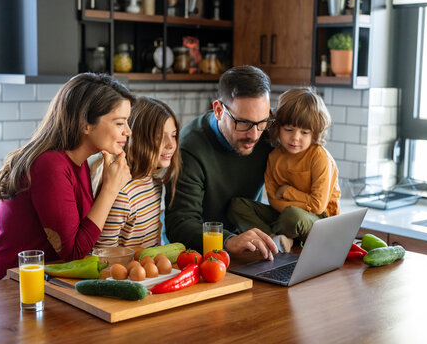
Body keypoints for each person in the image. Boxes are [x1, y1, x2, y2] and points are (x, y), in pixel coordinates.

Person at [0, 73, 135, 285]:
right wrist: (110, 189)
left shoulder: (78, 162)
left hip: (33, 286)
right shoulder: (51, 166)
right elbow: (73, 253)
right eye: (120, 122)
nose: (127, 131)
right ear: (86, 124)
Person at [164, 65, 278, 260]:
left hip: (248, 249)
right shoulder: (189, 148)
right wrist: (228, 240)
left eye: (262, 122)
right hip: (197, 256)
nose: (254, 135)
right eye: (243, 122)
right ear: (218, 110)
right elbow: (180, 224)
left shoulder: (267, 131)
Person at [228, 87, 341, 252]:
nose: (295, 137)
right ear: (278, 127)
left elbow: (317, 206)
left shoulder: (320, 157)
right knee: (236, 206)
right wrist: (290, 205)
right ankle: (276, 240)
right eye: (289, 130)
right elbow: (274, 200)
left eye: (304, 132)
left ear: (314, 134)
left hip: (320, 221)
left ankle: (276, 237)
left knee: (292, 215)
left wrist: (288, 192)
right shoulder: (274, 157)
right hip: (284, 215)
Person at [95, 97, 181, 249]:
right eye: (160, 137)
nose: (170, 144)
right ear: (139, 139)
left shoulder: (155, 185)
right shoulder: (123, 195)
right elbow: (104, 253)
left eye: (173, 135)